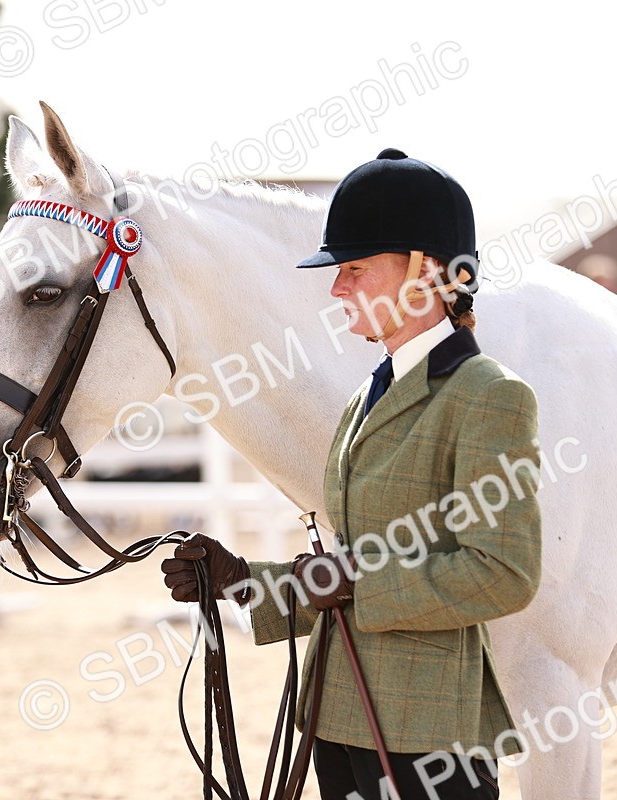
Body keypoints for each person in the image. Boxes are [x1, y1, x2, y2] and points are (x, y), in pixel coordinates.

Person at [162, 148, 542, 800]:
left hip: (427, 734)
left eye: (356, 269)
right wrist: (242, 581)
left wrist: (355, 580)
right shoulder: (367, 394)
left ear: (425, 272)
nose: (337, 288)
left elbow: (503, 573)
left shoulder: (488, 396)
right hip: (336, 714)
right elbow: (349, 571)